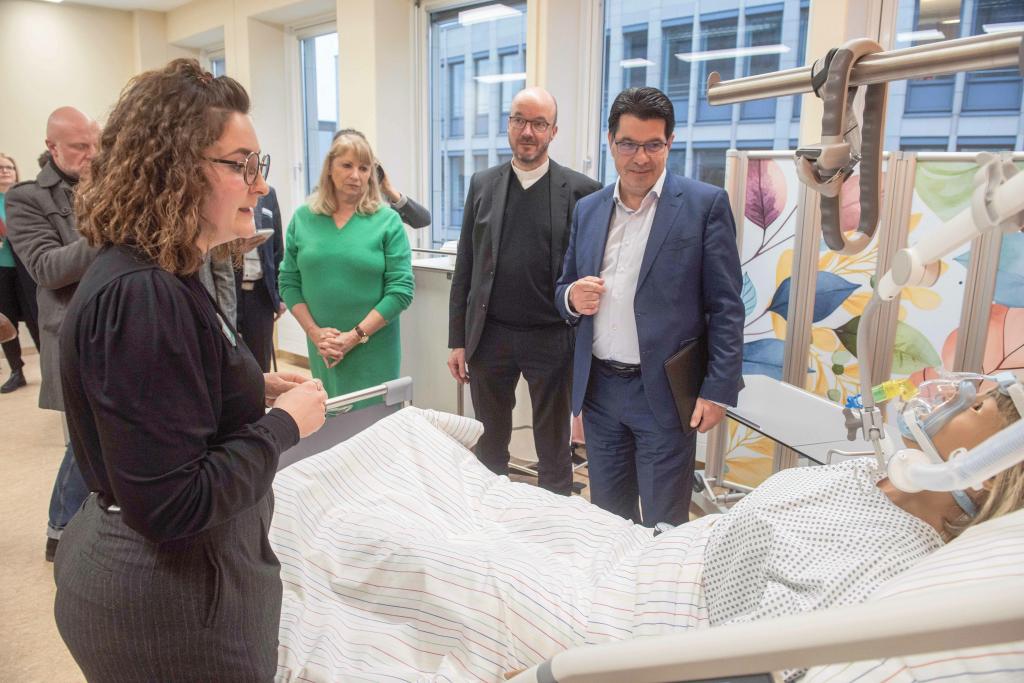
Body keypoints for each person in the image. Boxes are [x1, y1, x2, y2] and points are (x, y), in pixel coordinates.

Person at [273, 380, 1023, 682]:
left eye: (979, 401)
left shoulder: (891, 559)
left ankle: (286, 519)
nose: (951, 388)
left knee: (429, 551)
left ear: (979, 468)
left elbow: (759, 648)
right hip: (639, 553)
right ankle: (313, 493)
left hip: (637, 621)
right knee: (477, 489)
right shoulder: (865, 475)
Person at [53, 58, 328, 681]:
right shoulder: (143, 294)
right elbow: (173, 502)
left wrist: (251, 388)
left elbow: (151, 398)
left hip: (165, 583)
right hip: (166, 603)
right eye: (243, 165)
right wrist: (284, 425)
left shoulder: (157, 272)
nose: (260, 187)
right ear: (176, 167)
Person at [555, 87, 745, 525]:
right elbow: (564, 285)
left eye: (653, 145)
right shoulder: (589, 209)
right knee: (607, 520)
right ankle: (613, 594)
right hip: (601, 392)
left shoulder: (703, 205)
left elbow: (726, 307)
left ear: (669, 143)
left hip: (663, 392)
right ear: (610, 142)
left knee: (664, 523)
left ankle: (660, 594)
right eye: (628, 144)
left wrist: (717, 390)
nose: (640, 158)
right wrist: (570, 297)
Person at [447, 87, 602, 495]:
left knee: (553, 448)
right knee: (490, 444)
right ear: (509, 124)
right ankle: (489, 522)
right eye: (519, 120)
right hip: (490, 336)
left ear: (553, 131)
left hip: (551, 337)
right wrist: (457, 340)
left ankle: (553, 525)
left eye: (538, 123)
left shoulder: (583, 192)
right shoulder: (483, 185)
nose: (527, 131)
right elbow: (466, 264)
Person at [5, 108, 99, 560]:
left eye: (94, 143)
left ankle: (86, 522)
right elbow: (47, 268)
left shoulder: (107, 181)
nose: (90, 154)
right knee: (85, 437)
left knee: (103, 434)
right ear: (52, 147)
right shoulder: (26, 199)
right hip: (74, 333)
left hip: (115, 323)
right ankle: (60, 528)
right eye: (79, 146)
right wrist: (111, 229)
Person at [279, 132, 414, 405]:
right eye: (347, 165)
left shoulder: (387, 222)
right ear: (330, 168)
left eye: (364, 168)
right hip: (323, 348)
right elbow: (288, 282)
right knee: (328, 422)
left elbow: (401, 290)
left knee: (374, 429)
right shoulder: (303, 219)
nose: (356, 175)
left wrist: (354, 337)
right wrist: (315, 333)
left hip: (373, 348)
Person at [332, 128, 431, 229]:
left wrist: (389, 190)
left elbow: (422, 220)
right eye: (347, 165)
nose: (354, 175)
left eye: (362, 167)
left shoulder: (373, 198)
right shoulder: (322, 202)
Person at [234, 185, 285, 372]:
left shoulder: (268, 194)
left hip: (262, 294)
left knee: (261, 365)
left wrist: (280, 296)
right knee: (235, 359)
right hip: (232, 291)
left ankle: (262, 401)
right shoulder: (230, 194)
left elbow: (278, 247)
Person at [0, 152, 40, 393]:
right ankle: (17, 371)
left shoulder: (24, 198)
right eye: (0, 168)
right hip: (2, 270)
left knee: (36, 317)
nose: (5, 171)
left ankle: (50, 369)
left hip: (27, 268)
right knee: (6, 320)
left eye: (9, 167)